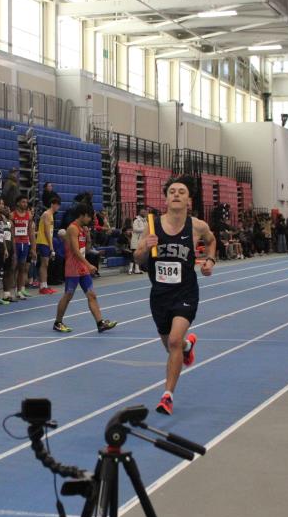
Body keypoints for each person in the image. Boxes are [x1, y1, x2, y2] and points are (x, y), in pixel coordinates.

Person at [134, 176, 215, 416]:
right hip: (159, 295)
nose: (176, 194)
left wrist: (210, 260)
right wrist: (146, 247)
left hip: (185, 292)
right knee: (171, 346)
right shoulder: (152, 225)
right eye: (172, 191)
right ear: (166, 199)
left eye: (181, 191)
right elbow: (138, 258)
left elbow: (211, 241)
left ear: (189, 200)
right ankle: (187, 346)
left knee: (173, 341)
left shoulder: (197, 226)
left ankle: (167, 395)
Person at [53, 204, 117, 335]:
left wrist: (88, 237)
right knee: (68, 295)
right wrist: (88, 265)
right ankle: (57, 322)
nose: (90, 220)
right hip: (73, 267)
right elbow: (75, 251)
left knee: (92, 295)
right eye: (89, 217)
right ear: (82, 215)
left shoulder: (82, 229)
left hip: (82, 266)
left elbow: (85, 250)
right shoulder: (72, 228)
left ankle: (100, 323)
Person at [11, 195, 35, 300]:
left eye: (26, 202)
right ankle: (12, 291)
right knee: (13, 268)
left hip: (24, 244)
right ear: (18, 203)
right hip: (15, 243)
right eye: (23, 202)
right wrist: (12, 249)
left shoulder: (29, 215)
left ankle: (19, 290)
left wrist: (33, 248)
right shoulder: (12, 215)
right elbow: (11, 233)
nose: (25, 204)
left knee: (22, 267)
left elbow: (31, 232)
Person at [37, 195, 60, 293]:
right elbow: (46, 231)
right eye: (56, 205)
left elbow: (50, 231)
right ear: (52, 204)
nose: (58, 207)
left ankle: (45, 285)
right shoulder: (47, 214)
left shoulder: (51, 215)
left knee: (46, 264)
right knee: (44, 264)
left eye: (58, 205)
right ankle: (42, 287)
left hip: (47, 241)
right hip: (43, 241)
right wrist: (51, 246)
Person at [129, 209, 147, 274]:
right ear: (140, 213)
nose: (144, 213)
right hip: (136, 240)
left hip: (142, 240)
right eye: (143, 212)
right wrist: (144, 229)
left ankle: (137, 269)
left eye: (145, 212)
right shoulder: (136, 220)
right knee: (133, 255)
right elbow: (135, 229)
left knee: (138, 255)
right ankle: (130, 269)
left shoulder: (145, 221)